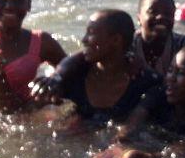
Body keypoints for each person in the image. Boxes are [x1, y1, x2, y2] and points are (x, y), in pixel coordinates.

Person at [29, 9, 164, 126]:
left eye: (91, 33)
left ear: (116, 40)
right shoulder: (74, 75)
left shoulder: (146, 84)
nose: (84, 40)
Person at [132, 0, 185, 76]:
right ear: (139, 18)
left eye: (167, 13)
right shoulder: (127, 46)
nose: (161, 17)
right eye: (152, 12)